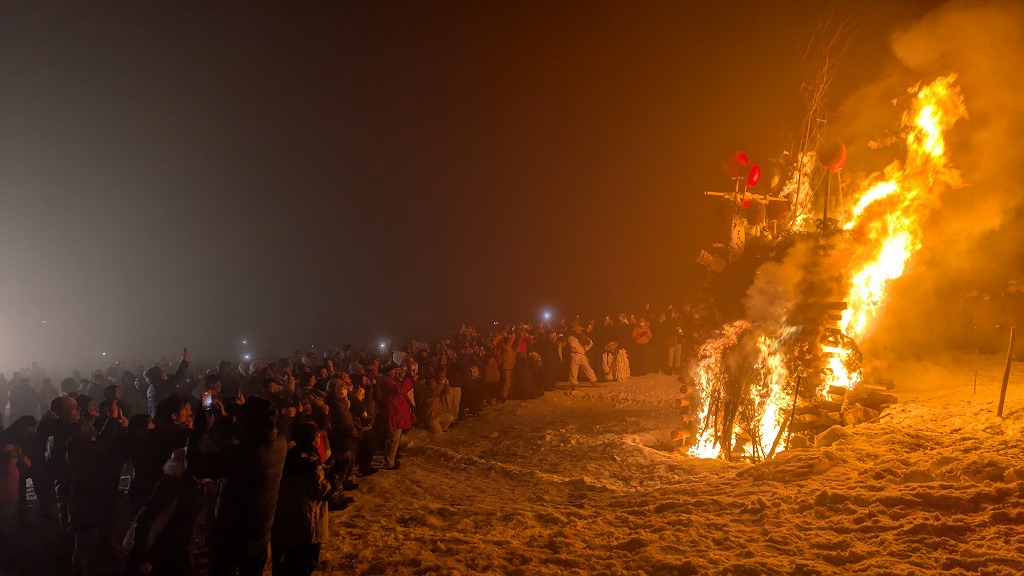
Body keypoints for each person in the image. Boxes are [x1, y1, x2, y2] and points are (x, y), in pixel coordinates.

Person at [187, 396, 287, 576]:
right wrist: (226, 418)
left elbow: (197, 466)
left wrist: (199, 431)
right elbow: (253, 435)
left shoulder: (244, 456)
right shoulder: (279, 442)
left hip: (234, 534)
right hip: (261, 530)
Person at [271, 420, 336, 576]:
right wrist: (334, 478)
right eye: (318, 437)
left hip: (292, 519)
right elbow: (321, 491)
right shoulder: (309, 463)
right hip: (307, 521)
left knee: (293, 561)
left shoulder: (292, 455)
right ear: (312, 439)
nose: (320, 440)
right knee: (304, 562)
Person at [377, 362, 412, 470]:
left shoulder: (388, 380)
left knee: (394, 437)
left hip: (395, 412)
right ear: (389, 372)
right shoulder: (387, 381)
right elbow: (400, 390)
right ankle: (388, 462)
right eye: (394, 370)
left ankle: (390, 457)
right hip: (393, 413)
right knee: (393, 438)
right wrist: (408, 378)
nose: (396, 372)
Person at [145, 348, 191, 417]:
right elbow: (178, 376)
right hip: (164, 417)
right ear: (160, 376)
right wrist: (185, 361)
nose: (165, 372)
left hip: (155, 416)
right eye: (162, 372)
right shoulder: (162, 387)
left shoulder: (151, 388)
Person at [567, 324, 597, 389]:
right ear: (574, 331)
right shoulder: (571, 338)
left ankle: (593, 381)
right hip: (575, 355)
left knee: (588, 368)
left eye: (580, 330)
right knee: (573, 370)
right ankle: (574, 384)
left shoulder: (583, 337)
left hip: (582, 355)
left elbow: (589, 345)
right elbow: (573, 345)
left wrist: (587, 343)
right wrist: (581, 339)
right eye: (578, 330)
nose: (579, 331)